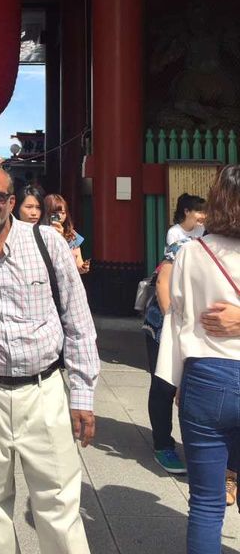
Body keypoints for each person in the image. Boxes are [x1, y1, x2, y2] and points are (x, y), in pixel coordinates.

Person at [0, 166, 99, 554]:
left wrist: (82, 394)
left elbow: (78, 321)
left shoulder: (47, 242)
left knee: (59, 501)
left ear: (12, 201)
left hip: (44, 391)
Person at [157, 165, 240, 554]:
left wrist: (175, 381)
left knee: (206, 503)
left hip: (206, 376)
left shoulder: (191, 252)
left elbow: (179, 318)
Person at [142, 241, 187, 474]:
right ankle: (163, 445)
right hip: (164, 325)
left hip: (199, 330)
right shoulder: (183, 246)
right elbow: (163, 282)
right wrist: (173, 328)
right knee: (164, 385)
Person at [44, 193, 90, 274]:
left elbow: (78, 264)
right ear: (46, 213)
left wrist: (83, 268)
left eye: (63, 213)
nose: (60, 216)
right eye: (55, 212)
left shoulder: (72, 235)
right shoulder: (39, 231)